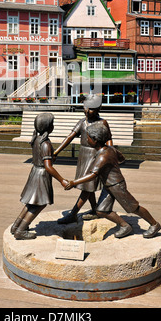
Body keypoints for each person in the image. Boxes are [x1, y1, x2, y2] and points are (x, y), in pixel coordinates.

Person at [65, 122, 161, 239]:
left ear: (95, 140)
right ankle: (125, 226)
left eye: (87, 137)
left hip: (116, 185)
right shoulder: (110, 149)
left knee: (133, 207)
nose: (85, 138)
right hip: (109, 185)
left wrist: (74, 182)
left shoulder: (102, 156)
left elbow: (93, 175)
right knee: (101, 210)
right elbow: (122, 158)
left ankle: (154, 224)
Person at [53, 94, 113, 224]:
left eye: (91, 109)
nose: (87, 111)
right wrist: (56, 151)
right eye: (85, 107)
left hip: (96, 157)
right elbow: (70, 137)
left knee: (87, 186)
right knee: (87, 186)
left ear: (98, 109)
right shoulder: (82, 122)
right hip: (83, 156)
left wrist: (111, 155)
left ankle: (73, 213)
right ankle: (95, 209)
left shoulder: (102, 123)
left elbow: (108, 139)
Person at [11, 113, 68, 240]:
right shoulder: (46, 143)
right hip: (41, 176)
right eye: (52, 124)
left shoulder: (36, 139)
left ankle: (16, 226)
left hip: (34, 172)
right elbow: (48, 166)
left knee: (32, 202)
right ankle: (21, 230)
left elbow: (41, 158)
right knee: (40, 204)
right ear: (49, 128)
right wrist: (62, 180)